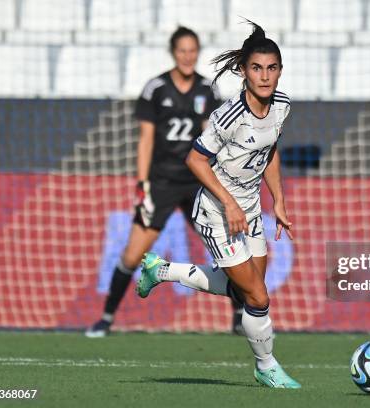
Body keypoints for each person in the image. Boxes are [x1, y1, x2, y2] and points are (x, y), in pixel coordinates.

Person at [135, 21, 301, 389]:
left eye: (272, 68)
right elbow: (195, 160)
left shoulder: (282, 106)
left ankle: (161, 271)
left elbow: (269, 150)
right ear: (243, 71)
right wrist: (229, 204)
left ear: (280, 70)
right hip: (217, 211)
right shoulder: (229, 116)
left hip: (251, 209)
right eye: (256, 68)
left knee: (248, 287)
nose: (265, 76)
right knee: (257, 296)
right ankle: (267, 366)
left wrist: (280, 202)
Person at [85, 26, 232, 337]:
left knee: (224, 249)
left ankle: (240, 316)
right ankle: (107, 317)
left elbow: (213, 138)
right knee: (132, 252)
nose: (188, 56)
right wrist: (143, 184)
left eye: (193, 50)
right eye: (182, 50)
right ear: (173, 52)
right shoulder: (156, 88)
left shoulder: (208, 90)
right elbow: (146, 140)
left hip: (196, 182)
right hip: (162, 182)